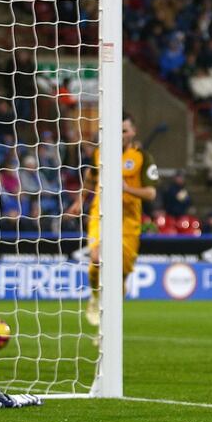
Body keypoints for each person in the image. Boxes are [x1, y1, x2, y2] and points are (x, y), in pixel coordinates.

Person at [68, 113, 158, 326]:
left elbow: (151, 194)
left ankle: (108, 321)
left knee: (121, 276)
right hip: (102, 213)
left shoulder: (142, 157)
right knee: (97, 257)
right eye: (117, 130)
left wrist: (127, 189)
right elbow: (90, 179)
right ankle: (95, 296)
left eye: (124, 130)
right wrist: (79, 202)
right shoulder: (100, 154)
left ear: (133, 132)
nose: (120, 135)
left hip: (128, 220)